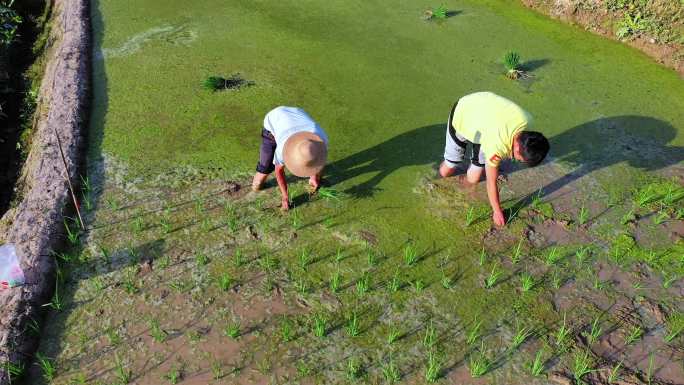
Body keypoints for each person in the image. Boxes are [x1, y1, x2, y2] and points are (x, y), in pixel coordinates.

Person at [439, 91, 549, 226]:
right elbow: (491, 182)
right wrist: (497, 211)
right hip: (463, 115)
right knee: (448, 169)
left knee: (473, 179)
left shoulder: (528, 122)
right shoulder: (497, 145)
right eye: (518, 159)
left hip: (486, 124)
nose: (516, 160)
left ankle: (464, 181)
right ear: (516, 148)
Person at [252, 106, 329, 211]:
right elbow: (279, 171)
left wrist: (314, 177)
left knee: (310, 157)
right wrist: (285, 196)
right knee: (263, 173)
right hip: (273, 120)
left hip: (296, 113)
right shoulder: (282, 149)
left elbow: (318, 158)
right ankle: (256, 186)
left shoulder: (321, 139)